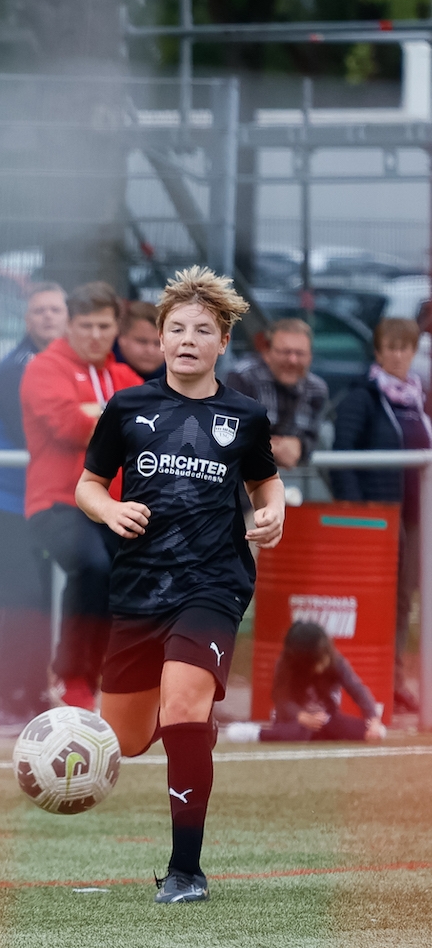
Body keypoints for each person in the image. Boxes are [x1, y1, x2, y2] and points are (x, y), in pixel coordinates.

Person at [76, 266, 284, 904]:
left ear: (223, 342)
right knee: (126, 739)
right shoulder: (127, 406)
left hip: (214, 583)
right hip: (139, 588)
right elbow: (87, 485)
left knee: (186, 707)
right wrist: (109, 510)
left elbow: (265, 482)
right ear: (160, 338)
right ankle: (185, 733)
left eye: (202, 330)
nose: (188, 339)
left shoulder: (245, 415)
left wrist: (273, 512)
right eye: (177, 328)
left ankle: (186, 871)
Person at [20, 282, 142, 708]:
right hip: (58, 503)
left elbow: (150, 428)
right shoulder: (45, 368)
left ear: (116, 329)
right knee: (91, 566)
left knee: (134, 577)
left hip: (113, 506)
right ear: (69, 326)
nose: (94, 335)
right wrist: (114, 417)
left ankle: (112, 677)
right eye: (86, 325)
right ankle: (72, 675)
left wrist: (96, 412)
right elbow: (69, 426)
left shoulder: (124, 377)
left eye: (103, 326)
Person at [0, 283, 68, 732]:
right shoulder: (18, 368)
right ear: (27, 319)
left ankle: (30, 693)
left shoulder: (71, 365)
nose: (47, 316)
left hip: (33, 500)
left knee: (36, 594)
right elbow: (38, 433)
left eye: (55, 309)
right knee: (14, 592)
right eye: (39, 310)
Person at [330, 317, 430, 715]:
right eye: (391, 347)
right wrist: (358, 514)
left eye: (406, 347)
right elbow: (343, 456)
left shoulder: (419, 397)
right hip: (378, 518)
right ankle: (369, 681)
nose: (399, 355)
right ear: (378, 351)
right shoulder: (363, 397)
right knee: (377, 600)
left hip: (416, 516)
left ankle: (395, 680)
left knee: (404, 601)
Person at [255, 622, 386, 743]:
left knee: (366, 731)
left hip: (326, 720)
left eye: (326, 651)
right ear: (305, 661)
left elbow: (356, 689)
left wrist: (373, 719)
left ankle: (321, 733)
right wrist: (302, 716)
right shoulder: (286, 664)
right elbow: (281, 698)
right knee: (297, 732)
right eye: (320, 656)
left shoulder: (335, 661)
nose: (326, 658)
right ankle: (256, 733)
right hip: (295, 720)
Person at [226, 318, 328, 469]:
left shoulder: (317, 389)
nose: (292, 360)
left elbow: (313, 437)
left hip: (295, 475)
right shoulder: (243, 378)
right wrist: (270, 448)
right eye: (285, 352)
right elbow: (229, 432)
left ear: (310, 357)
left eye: (300, 353)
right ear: (267, 352)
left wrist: (300, 447)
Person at [116, 300, 166, 380]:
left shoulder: (177, 378)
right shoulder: (102, 374)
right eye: (142, 341)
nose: (150, 351)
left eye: (158, 343)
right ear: (121, 338)